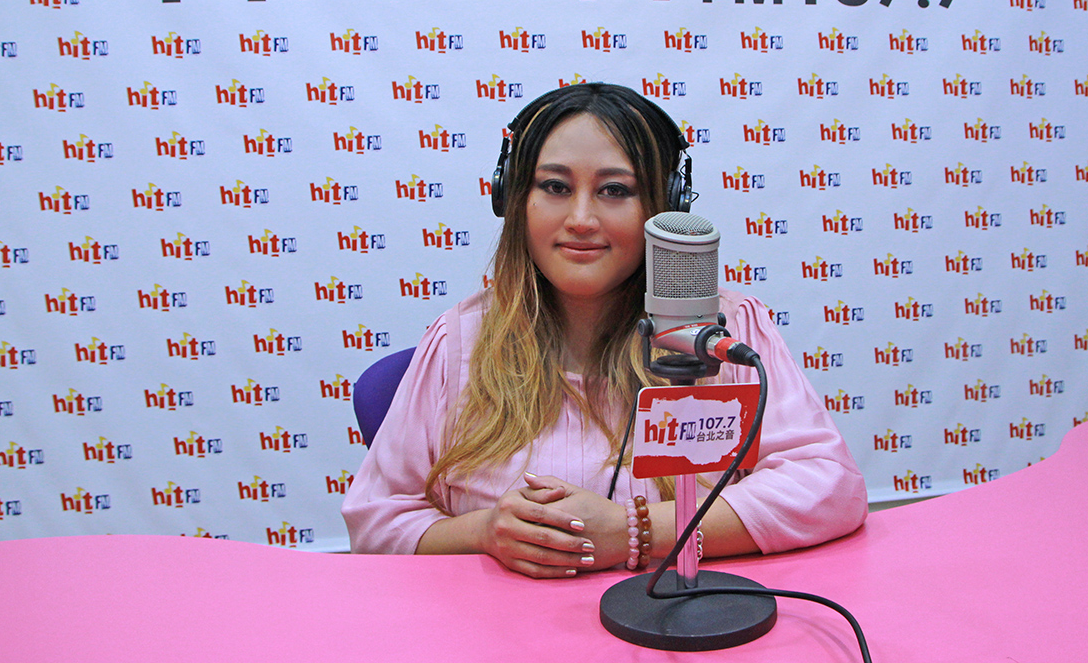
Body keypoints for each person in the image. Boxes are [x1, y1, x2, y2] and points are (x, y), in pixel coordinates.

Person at [342, 83, 866, 578]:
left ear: (665, 205)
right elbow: (377, 521)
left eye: (615, 190)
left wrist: (634, 531)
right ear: (514, 198)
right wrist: (483, 533)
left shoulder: (722, 331)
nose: (581, 218)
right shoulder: (459, 339)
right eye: (555, 187)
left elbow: (827, 486)